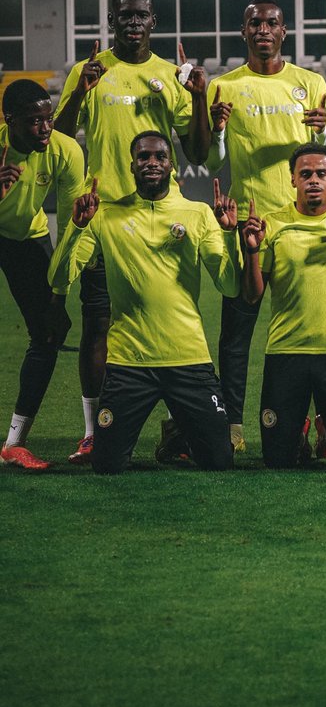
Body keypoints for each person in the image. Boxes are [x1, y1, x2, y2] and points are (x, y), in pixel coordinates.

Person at [53, 0, 210, 463]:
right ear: (112, 23)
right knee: (98, 321)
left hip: (165, 218)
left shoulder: (169, 75)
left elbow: (200, 152)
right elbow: (59, 139)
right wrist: (81, 91)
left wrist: (198, 96)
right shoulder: (90, 72)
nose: (133, 22)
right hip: (106, 218)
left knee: (175, 316)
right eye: (124, 15)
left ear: (154, 23)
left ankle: (177, 429)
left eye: (142, 15)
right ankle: (92, 431)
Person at [48, 132, 250, 474]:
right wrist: (76, 227)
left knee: (219, 460)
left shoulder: (199, 214)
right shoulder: (106, 215)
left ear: (172, 164)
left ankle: (177, 432)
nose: (152, 163)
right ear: (132, 165)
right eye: (144, 157)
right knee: (106, 465)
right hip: (130, 363)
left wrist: (230, 235)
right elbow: (58, 279)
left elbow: (230, 287)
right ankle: (174, 431)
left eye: (159, 156)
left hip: (188, 358)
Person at [206, 0, 326, 451]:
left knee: (315, 327)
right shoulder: (225, 86)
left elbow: (323, 152)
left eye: (271, 23)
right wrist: (218, 130)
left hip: (301, 225)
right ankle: (232, 428)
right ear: (243, 32)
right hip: (250, 225)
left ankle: (323, 424)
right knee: (236, 336)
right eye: (255, 22)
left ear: (284, 31)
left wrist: (325, 133)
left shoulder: (310, 83)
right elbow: (213, 159)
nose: (263, 29)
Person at [239, 143, 326, 469]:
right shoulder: (273, 223)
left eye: (321, 173)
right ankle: (300, 426)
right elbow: (253, 295)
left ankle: (323, 426)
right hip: (286, 353)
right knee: (278, 461)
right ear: (292, 179)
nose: (313, 180)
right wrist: (252, 251)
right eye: (305, 174)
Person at [0, 81, 85, 470]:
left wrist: (58, 295)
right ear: (10, 122)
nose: (45, 129)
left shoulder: (65, 151)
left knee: (49, 332)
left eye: (48, 118)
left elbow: (70, 227)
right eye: (34, 122)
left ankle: (14, 443)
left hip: (26, 238)